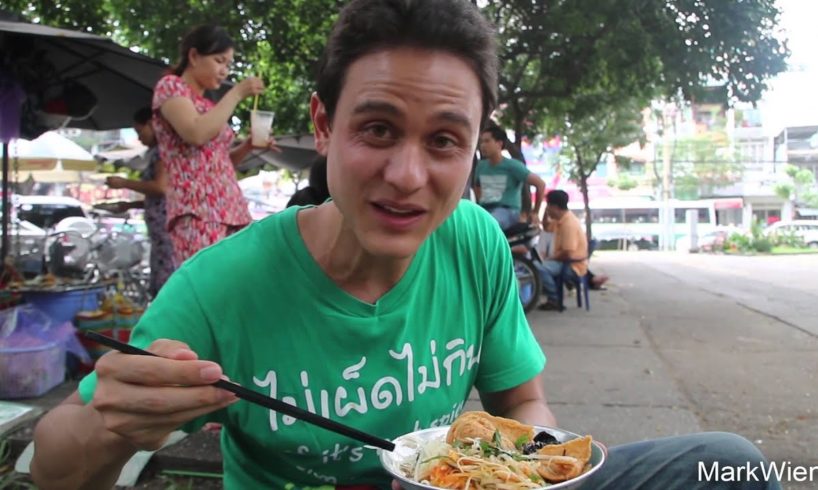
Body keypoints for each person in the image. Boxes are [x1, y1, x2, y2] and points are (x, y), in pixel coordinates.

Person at [30, 1, 779, 489]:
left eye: (445, 140)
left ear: (473, 152)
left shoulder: (474, 244)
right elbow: (59, 467)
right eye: (378, 129)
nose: (408, 176)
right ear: (325, 128)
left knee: (730, 467)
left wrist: (522, 468)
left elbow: (520, 396)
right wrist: (109, 422)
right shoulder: (221, 285)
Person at [150, 24, 278, 265]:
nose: (224, 71)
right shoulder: (171, 86)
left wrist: (248, 146)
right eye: (220, 61)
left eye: (228, 65)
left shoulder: (209, 106)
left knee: (236, 286)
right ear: (194, 56)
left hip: (230, 208)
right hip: (197, 210)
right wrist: (238, 93)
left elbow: (218, 161)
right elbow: (195, 133)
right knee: (207, 287)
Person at [105, 107, 175, 297]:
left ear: (152, 125)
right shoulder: (158, 152)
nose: (139, 138)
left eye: (139, 131)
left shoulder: (163, 151)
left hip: (166, 235)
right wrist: (129, 205)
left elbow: (161, 188)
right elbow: (160, 200)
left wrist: (124, 183)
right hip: (160, 235)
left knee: (166, 285)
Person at [473, 125, 546, 229]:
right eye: (481, 142)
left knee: (488, 225)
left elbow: (540, 184)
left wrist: (535, 212)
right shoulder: (481, 166)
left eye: (487, 141)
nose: (483, 145)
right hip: (485, 210)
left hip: (508, 211)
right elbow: (477, 188)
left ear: (499, 144)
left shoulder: (513, 166)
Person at [535, 189, 589, 310]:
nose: (547, 209)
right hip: (563, 260)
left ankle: (554, 299)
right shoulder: (560, 220)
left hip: (572, 265)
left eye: (548, 206)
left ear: (555, 207)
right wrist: (545, 211)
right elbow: (546, 227)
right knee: (538, 264)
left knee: (537, 268)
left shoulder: (568, 224)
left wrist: (549, 258)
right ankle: (552, 296)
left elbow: (568, 253)